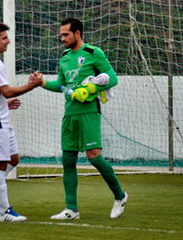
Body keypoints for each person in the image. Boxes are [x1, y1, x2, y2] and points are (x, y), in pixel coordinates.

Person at [36, 17, 127, 220]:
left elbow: (112, 78)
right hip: (70, 114)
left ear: (77, 33)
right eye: (61, 35)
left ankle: (120, 196)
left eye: (66, 35)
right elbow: (61, 85)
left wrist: (92, 88)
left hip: (89, 113)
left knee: (94, 156)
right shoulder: (65, 56)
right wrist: (42, 83)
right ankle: (71, 210)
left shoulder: (93, 53)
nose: (62, 39)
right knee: (68, 160)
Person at [0, 21, 42, 223]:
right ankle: (5, 211)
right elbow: (7, 90)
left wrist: (4, 103)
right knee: (0, 164)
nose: (8, 41)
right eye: (4, 38)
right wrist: (33, 85)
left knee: (13, 160)